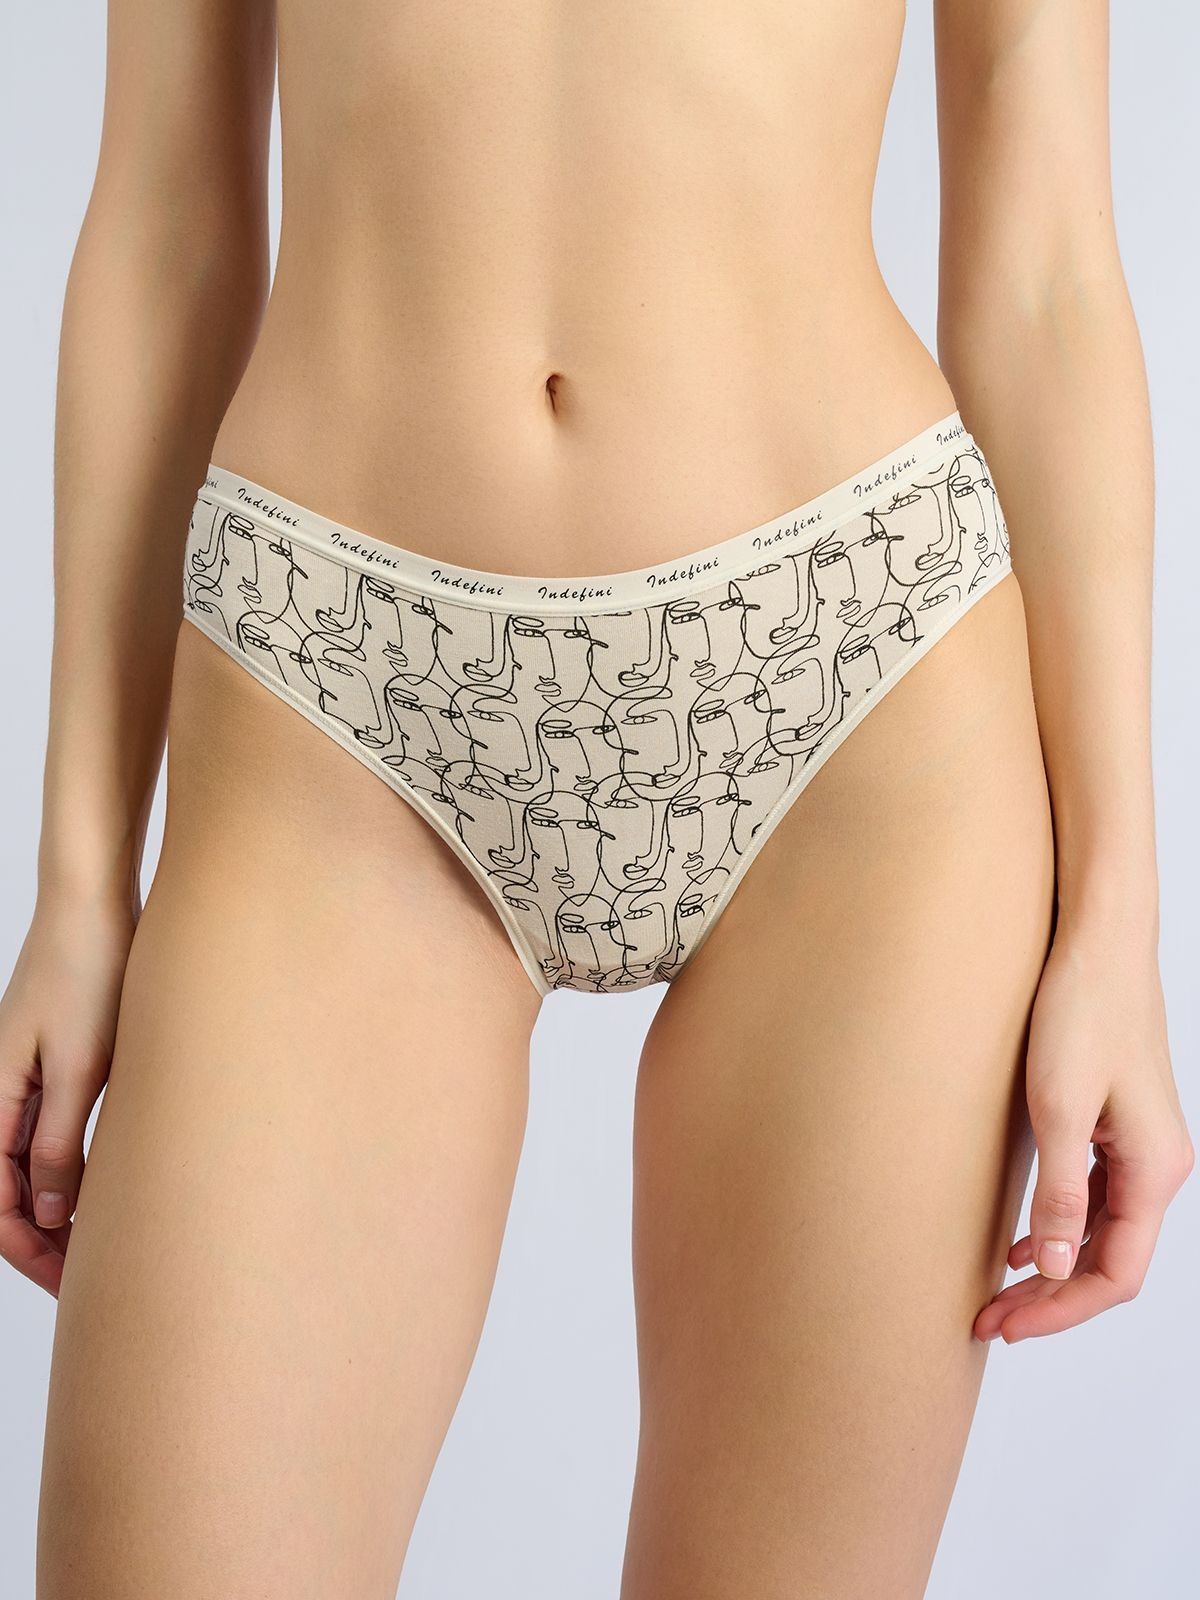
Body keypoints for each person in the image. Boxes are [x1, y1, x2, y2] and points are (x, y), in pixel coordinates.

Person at [2, 1, 1191, 1595]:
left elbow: (1045, 268)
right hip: (335, 687)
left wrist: (1118, 918)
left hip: (851, 676)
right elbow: (166, 222)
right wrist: (81, 886)